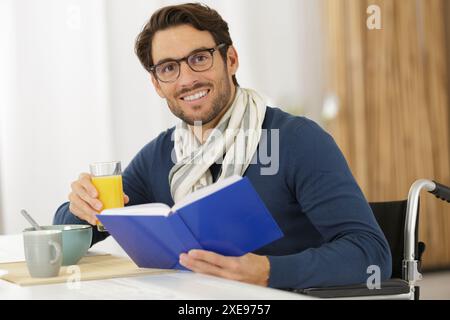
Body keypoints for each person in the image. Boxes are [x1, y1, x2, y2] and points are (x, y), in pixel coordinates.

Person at [54, 3, 391, 289]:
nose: (187, 79)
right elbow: (69, 233)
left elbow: (372, 255)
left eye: (199, 58)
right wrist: (79, 207)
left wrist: (267, 272)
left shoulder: (297, 140)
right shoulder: (159, 155)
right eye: (169, 68)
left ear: (231, 59)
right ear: (157, 85)